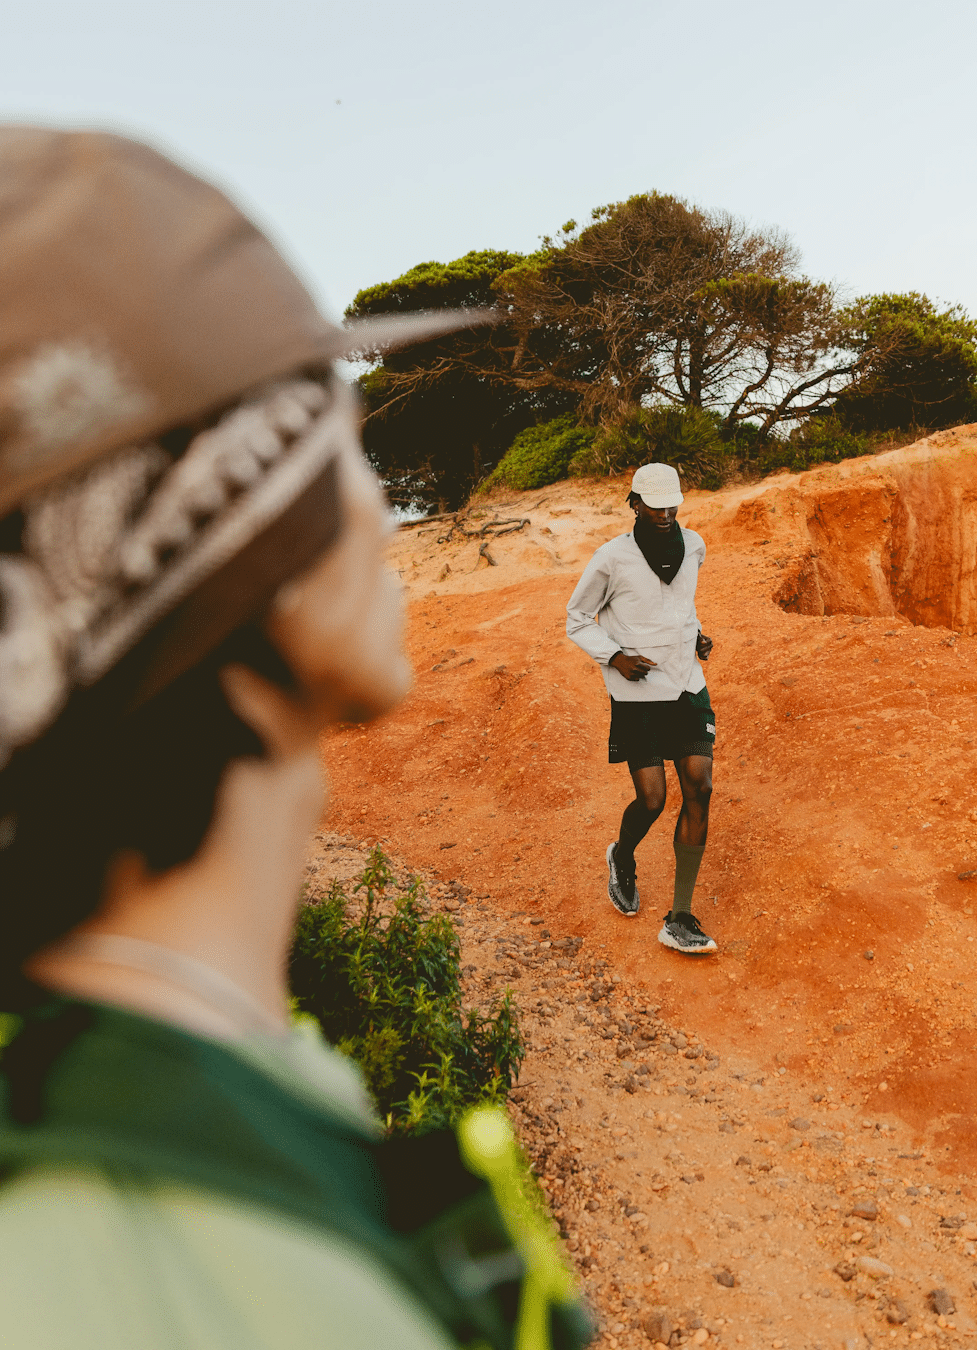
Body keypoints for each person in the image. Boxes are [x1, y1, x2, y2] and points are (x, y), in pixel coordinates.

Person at [0, 126, 587, 1350]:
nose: (383, 505)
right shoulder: (200, 1286)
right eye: (339, 437)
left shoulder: (177, 1121)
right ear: (235, 549)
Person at [566, 462, 717, 954]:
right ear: (634, 504)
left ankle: (680, 916)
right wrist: (615, 657)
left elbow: (680, 605)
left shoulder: (694, 545)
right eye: (656, 506)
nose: (667, 513)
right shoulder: (611, 559)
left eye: (673, 504)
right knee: (652, 800)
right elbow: (576, 619)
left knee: (699, 786)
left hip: (686, 683)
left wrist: (697, 635)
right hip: (637, 694)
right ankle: (623, 856)